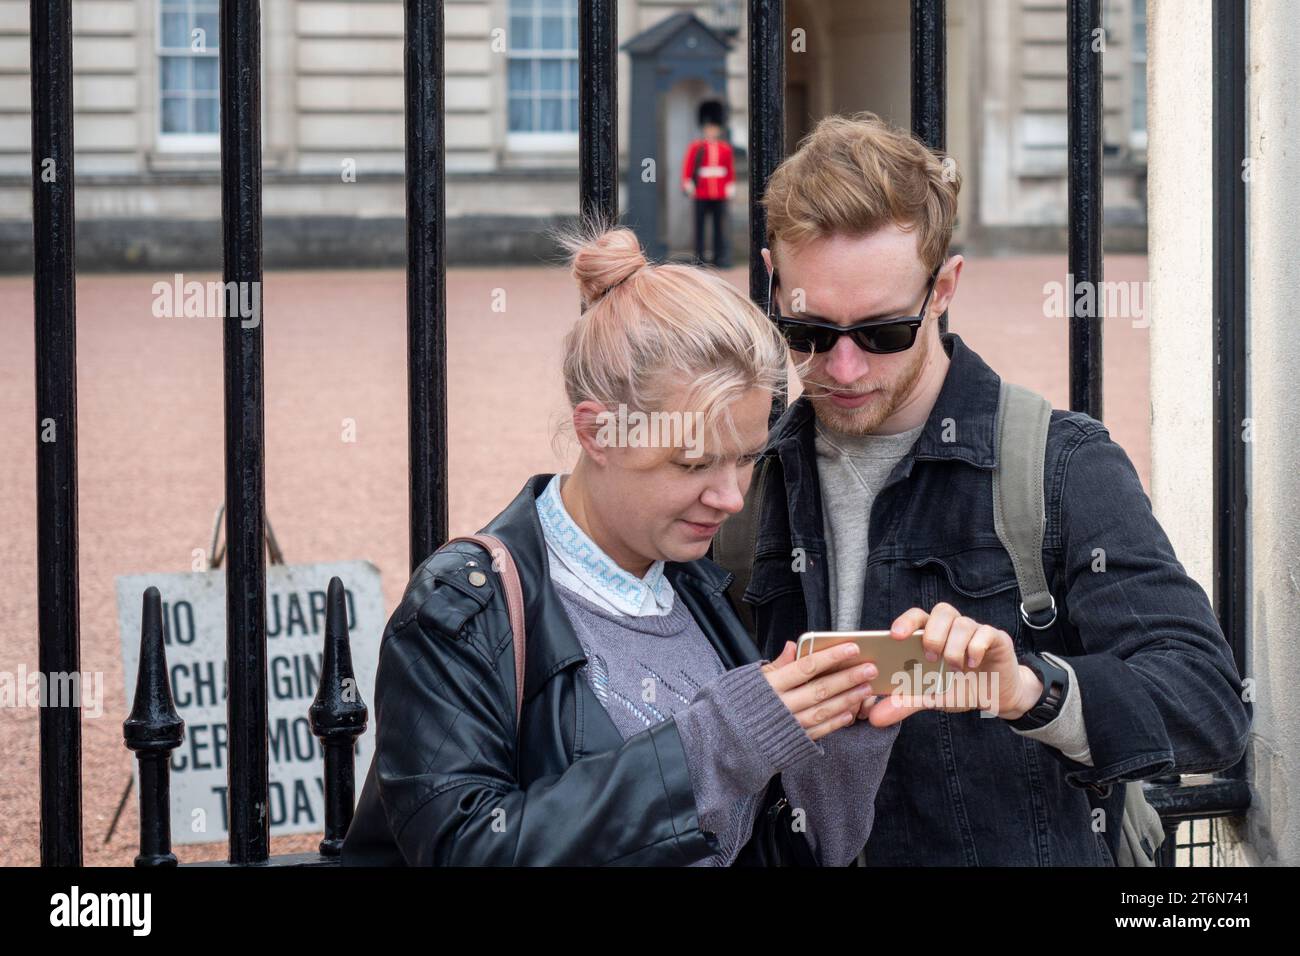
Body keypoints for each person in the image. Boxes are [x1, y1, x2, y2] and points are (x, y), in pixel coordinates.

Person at [716, 111, 1251, 865]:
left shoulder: (1059, 465)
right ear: (774, 278)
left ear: (944, 287)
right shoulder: (739, 470)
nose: (840, 369)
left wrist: (1030, 689)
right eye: (809, 332)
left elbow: (1207, 704)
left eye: (881, 333)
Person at [341, 221, 900, 866]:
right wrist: (716, 743)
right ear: (597, 432)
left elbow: (758, 849)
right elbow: (465, 850)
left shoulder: (693, 585)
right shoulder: (462, 609)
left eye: (745, 459)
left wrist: (843, 735)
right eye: (692, 465)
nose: (731, 497)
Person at [681, 99, 736, 268]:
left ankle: (720, 257)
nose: (711, 131)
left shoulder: (725, 148)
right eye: (709, 128)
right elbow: (688, 167)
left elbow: (729, 169)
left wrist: (730, 184)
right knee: (700, 227)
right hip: (701, 192)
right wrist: (687, 182)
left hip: (719, 192)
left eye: (714, 128)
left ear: (718, 129)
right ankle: (700, 258)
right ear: (704, 128)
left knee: (719, 227)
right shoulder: (696, 147)